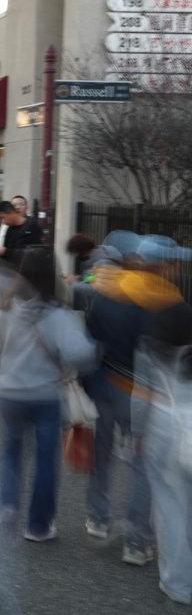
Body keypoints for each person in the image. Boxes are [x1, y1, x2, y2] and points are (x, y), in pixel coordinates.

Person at [84, 232, 186, 566]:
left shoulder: (108, 289)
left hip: (103, 384)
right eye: (173, 265)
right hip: (144, 394)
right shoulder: (170, 303)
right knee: (141, 466)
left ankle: (98, 519)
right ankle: (136, 541)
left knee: (102, 455)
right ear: (165, 267)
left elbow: (92, 334)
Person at [0, 246, 98, 545]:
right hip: (45, 396)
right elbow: (79, 352)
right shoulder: (57, 314)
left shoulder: (5, 309)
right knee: (45, 460)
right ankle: (38, 526)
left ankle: (9, 504)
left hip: (9, 392)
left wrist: (1, 370)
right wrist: (92, 355)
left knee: (11, 450)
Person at [133, 302, 192, 605]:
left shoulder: (149, 349)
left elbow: (140, 398)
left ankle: (178, 584)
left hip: (164, 430)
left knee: (170, 508)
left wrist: (137, 433)